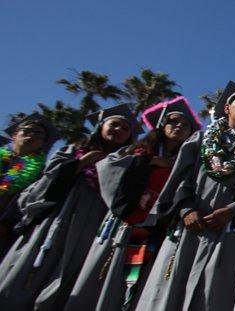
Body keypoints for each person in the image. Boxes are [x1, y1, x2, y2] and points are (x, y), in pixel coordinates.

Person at [136, 81, 235, 311]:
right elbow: (181, 178)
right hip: (189, 224)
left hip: (229, 228)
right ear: (227, 107)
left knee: (214, 292)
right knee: (169, 288)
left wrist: (231, 211)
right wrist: (186, 209)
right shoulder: (201, 139)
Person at [64, 97, 199, 310]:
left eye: (185, 125)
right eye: (174, 122)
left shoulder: (186, 161)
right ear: (162, 125)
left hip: (154, 228)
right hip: (121, 222)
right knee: (102, 272)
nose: (179, 127)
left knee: (134, 280)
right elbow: (110, 167)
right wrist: (151, 161)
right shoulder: (139, 149)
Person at [0, 104, 138, 310]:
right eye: (114, 124)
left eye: (125, 129)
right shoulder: (74, 150)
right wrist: (82, 162)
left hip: (93, 226)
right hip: (56, 218)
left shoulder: (128, 163)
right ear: (101, 127)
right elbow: (46, 183)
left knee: (69, 275)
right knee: (30, 268)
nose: (118, 130)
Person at [0, 113, 60, 257]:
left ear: (43, 143)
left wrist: (6, 224)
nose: (31, 136)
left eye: (38, 134)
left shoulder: (41, 172)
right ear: (14, 135)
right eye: (26, 131)